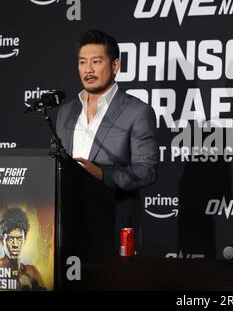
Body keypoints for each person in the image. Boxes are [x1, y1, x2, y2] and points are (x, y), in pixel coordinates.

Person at [56, 29, 158, 255]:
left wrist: (103, 174)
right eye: (82, 62)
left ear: (115, 66)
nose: (88, 69)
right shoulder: (66, 111)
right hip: (67, 225)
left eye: (96, 61)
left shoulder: (137, 111)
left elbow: (147, 170)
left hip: (113, 223)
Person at [0, 208, 46, 290]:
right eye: (10, 238)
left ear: (25, 240)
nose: (15, 244)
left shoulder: (31, 272)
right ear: (2, 240)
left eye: (19, 238)